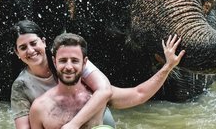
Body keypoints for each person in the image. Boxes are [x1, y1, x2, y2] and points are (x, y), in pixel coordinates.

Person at [11, 20, 185, 128]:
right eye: (23, 48)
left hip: (92, 116)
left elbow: (131, 93)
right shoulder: (28, 94)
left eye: (33, 43)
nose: (31, 51)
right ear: (17, 53)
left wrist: (168, 66)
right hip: (53, 117)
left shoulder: (69, 57)